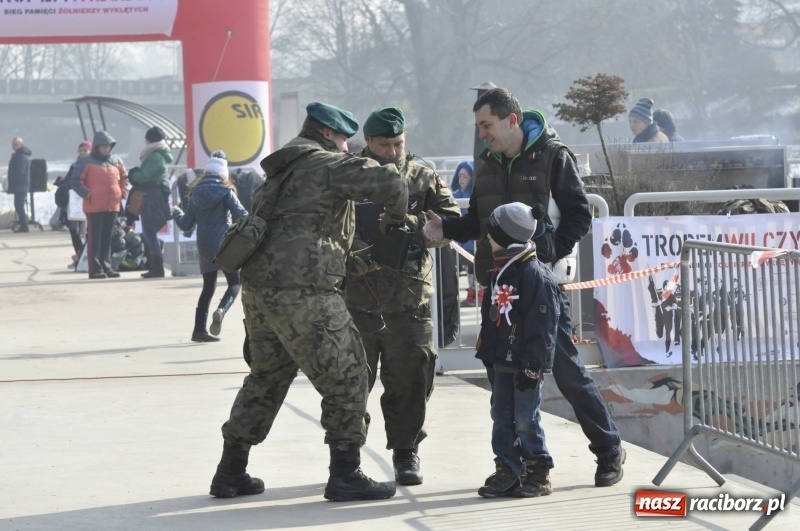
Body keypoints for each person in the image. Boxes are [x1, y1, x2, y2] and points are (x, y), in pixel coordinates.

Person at [424, 87, 626, 487]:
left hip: (542, 289)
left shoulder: (554, 156)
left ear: (511, 120)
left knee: (567, 372)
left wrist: (550, 250)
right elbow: (479, 222)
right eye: (479, 126)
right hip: (499, 292)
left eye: (487, 125)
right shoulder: (488, 163)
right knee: (502, 382)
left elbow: (579, 215)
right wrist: (445, 228)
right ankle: (514, 468)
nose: (483, 134)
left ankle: (608, 449)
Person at [209, 102, 409, 503]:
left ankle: (230, 472)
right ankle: (346, 473)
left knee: (267, 377)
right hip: (304, 291)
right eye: (346, 141)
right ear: (330, 134)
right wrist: (397, 214)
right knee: (349, 374)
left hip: (260, 290)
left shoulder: (281, 169)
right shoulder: (324, 163)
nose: (348, 149)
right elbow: (390, 183)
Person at [344, 107, 461, 486]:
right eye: (384, 144)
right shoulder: (348, 174)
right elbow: (324, 224)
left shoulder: (422, 176)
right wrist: (353, 247)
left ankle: (406, 452)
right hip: (356, 299)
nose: (393, 151)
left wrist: (418, 229)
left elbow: (450, 222)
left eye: (399, 143)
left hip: (409, 299)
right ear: (368, 142)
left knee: (412, 380)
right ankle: (347, 457)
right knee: (350, 382)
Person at [475, 202, 560, 498]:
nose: (487, 238)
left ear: (507, 236)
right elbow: (492, 319)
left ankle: (538, 470)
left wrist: (533, 365)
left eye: (492, 233)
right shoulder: (499, 271)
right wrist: (487, 355)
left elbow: (543, 328)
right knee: (500, 416)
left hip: (525, 364)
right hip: (502, 361)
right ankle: (508, 469)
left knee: (526, 418)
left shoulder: (535, 276)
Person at [171, 156, 247, 342]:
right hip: (224, 242)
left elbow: (186, 224)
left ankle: (198, 331)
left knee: (208, 288)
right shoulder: (225, 190)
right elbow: (243, 215)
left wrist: (176, 212)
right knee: (234, 283)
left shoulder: (195, 192)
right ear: (223, 173)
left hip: (204, 244)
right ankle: (221, 310)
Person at [72, 131, 128, 279]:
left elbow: (124, 177)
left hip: (112, 205)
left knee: (107, 238)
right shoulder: (85, 162)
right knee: (95, 238)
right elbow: (75, 180)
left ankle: (107, 267)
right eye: (103, 146)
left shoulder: (117, 160)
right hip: (94, 205)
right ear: (97, 146)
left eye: (108, 146)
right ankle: (95, 269)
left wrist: (121, 192)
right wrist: (87, 194)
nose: (106, 149)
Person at [129, 126, 173, 278]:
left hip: (152, 196)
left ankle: (157, 268)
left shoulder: (155, 156)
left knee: (149, 231)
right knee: (150, 231)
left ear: (150, 140)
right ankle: (155, 266)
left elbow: (145, 176)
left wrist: (134, 174)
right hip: (155, 195)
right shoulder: (160, 153)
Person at [450, 160, 483, 307]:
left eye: (465, 177)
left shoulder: (475, 195)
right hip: (462, 242)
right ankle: (471, 292)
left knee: (477, 269)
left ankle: (481, 293)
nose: (461, 180)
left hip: (473, 241)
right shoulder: (456, 194)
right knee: (468, 269)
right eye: (460, 176)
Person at [57, 140, 92, 265]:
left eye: (85, 150)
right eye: (80, 150)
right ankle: (80, 255)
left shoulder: (93, 165)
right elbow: (69, 180)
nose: (82, 153)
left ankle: (86, 256)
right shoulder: (74, 165)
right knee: (74, 231)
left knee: (87, 231)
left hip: (88, 201)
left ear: (91, 151)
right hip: (73, 203)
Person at [7, 136, 32, 232]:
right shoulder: (18, 155)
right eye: (13, 144)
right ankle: (23, 224)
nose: (14, 146)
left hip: (20, 186)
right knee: (18, 205)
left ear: (21, 145)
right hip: (20, 186)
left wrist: (13, 182)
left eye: (16, 144)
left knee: (19, 206)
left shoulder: (21, 156)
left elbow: (19, 172)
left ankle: (24, 226)